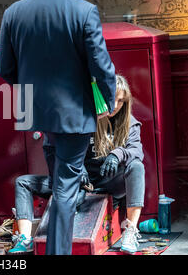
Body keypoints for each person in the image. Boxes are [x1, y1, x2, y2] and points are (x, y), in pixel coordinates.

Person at [0, 0, 116, 255]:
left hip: (35, 111)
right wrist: (109, 100)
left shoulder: (14, 12)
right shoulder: (84, 11)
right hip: (73, 112)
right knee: (65, 186)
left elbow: (4, 68)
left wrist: (31, 96)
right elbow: (101, 65)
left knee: (58, 171)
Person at [82, 75, 145, 255]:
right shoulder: (87, 118)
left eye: (121, 101)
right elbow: (69, 150)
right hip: (87, 183)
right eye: (113, 98)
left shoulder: (129, 122)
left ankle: (130, 231)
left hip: (112, 183)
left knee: (137, 166)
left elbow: (136, 150)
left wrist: (116, 154)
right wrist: (78, 169)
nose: (116, 105)